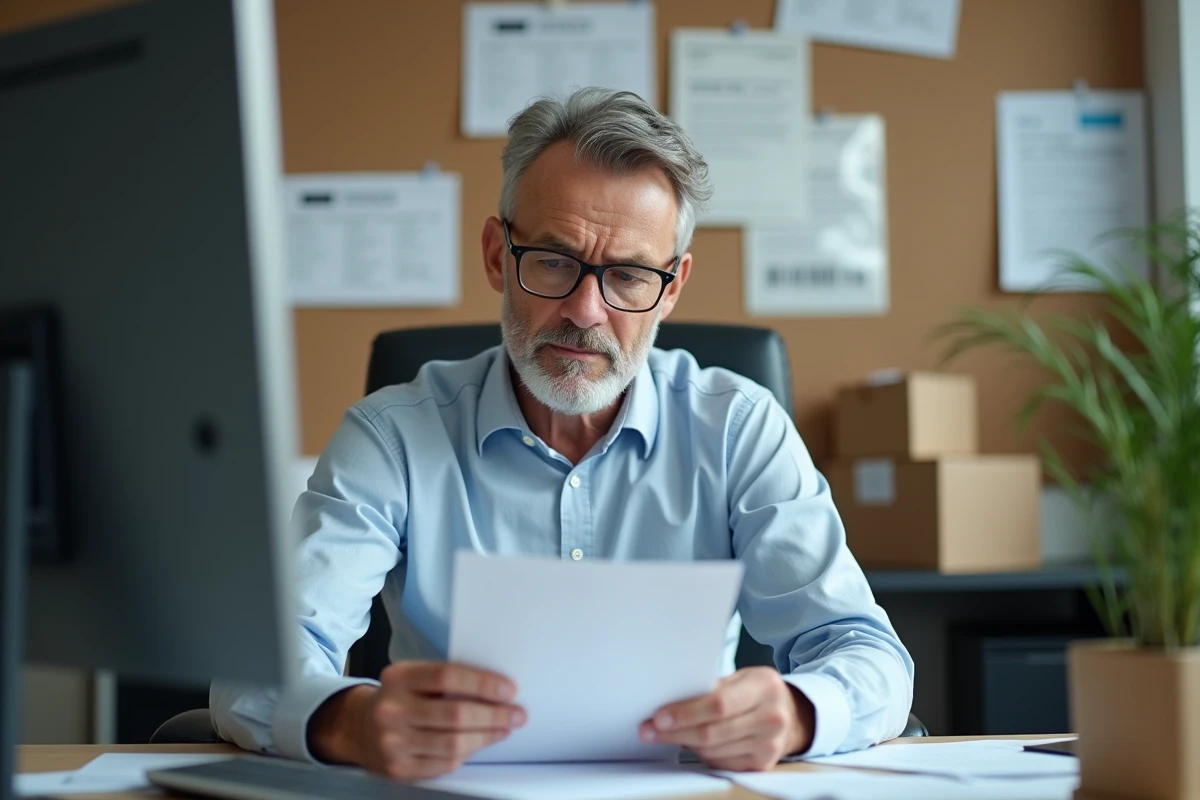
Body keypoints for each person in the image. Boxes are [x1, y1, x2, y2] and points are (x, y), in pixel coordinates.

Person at [211, 87, 914, 780]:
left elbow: (867, 654)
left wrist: (797, 712)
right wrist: (351, 722)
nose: (585, 311)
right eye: (553, 261)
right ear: (497, 255)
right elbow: (253, 670)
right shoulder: (391, 436)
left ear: (671, 288)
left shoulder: (738, 429)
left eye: (629, 275)